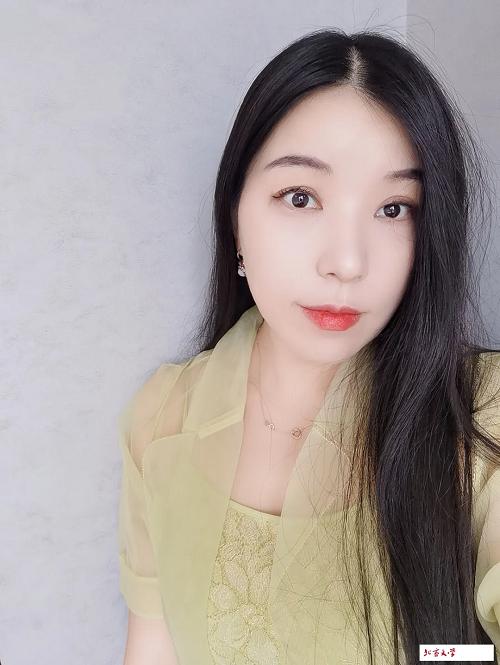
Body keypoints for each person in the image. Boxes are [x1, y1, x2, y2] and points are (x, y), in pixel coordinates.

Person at [118, 28, 500, 665]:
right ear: (235, 214)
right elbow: (152, 649)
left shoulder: (480, 417)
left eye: (394, 208)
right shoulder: (162, 419)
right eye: (300, 197)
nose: (347, 262)